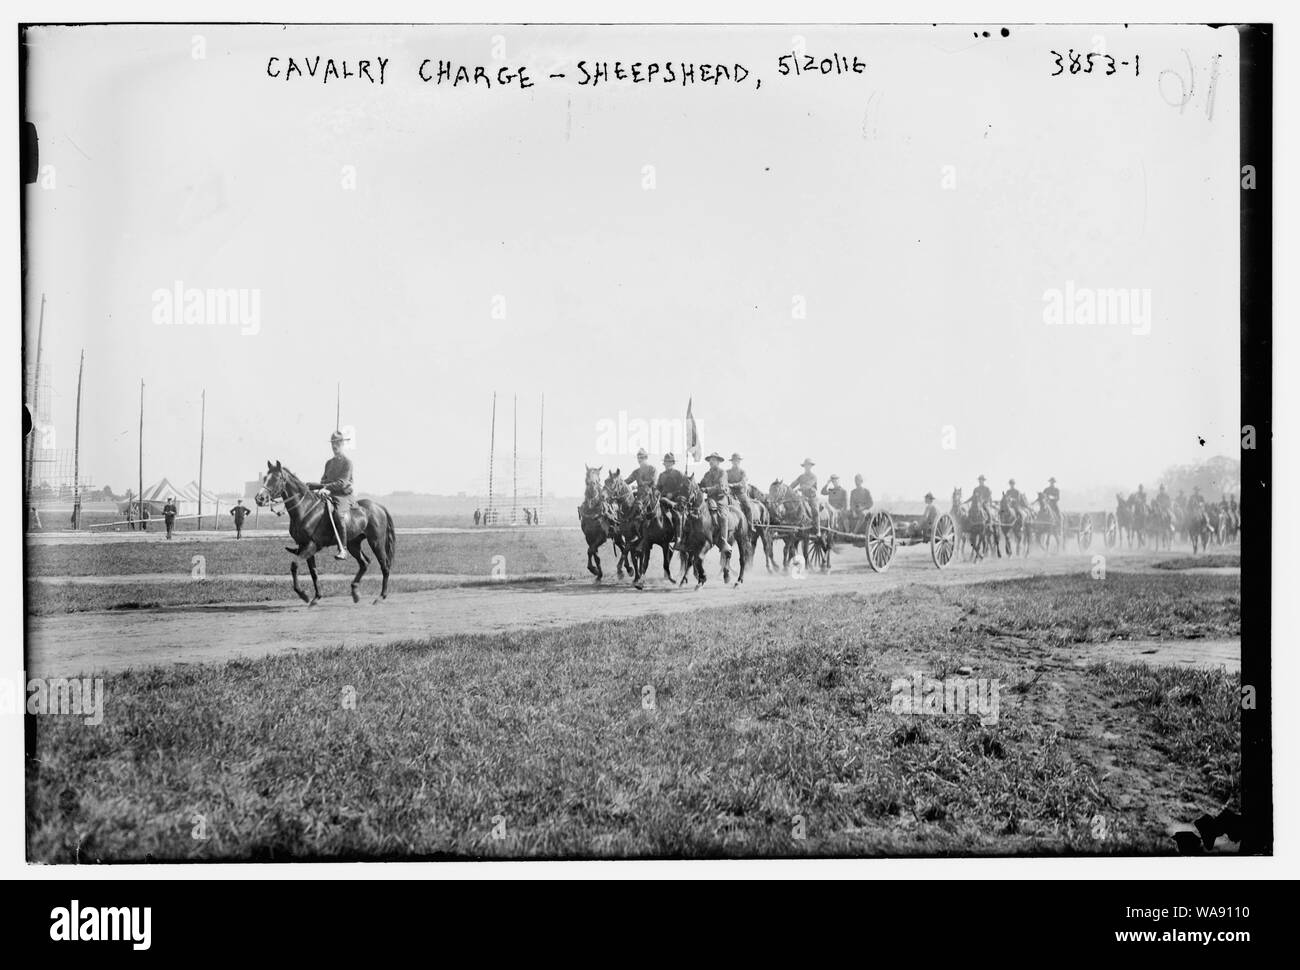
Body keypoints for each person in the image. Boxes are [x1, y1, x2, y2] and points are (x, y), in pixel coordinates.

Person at [306, 430, 354, 559]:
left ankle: (343, 549)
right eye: (333, 443)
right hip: (329, 494)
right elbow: (323, 480)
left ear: (343, 443)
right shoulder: (329, 463)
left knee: (338, 515)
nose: (334, 445)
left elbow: (342, 483)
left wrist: (326, 487)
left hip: (343, 496)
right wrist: (317, 487)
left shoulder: (347, 463)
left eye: (337, 442)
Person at [656, 453, 689, 544]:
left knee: (677, 516)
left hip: (675, 500)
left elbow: (684, 488)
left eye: (669, 462)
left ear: (673, 463)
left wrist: (673, 494)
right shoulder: (661, 475)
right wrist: (656, 491)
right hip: (662, 500)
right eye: (666, 462)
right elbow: (658, 487)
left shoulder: (678, 474)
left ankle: (678, 537)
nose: (667, 463)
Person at [725, 452, 755, 535]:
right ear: (732, 462)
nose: (735, 462)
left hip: (740, 492)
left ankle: (750, 525)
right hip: (729, 492)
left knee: (748, 506)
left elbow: (743, 482)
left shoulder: (743, 472)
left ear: (739, 461)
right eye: (734, 461)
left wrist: (733, 485)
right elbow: (724, 480)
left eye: (737, 461)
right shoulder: (727, 472)